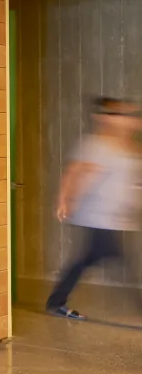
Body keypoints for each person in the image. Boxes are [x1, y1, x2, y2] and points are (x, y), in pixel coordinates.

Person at [48, 97, 142, 320]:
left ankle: (56, 302)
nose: (130, 121)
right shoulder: (96, 144)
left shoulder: (129, 147)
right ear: (105, 119)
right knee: (123, 262)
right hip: (97, 216)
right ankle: (56, 302)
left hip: (116, 218)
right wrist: (65, 200)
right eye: (121, 116)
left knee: (86, 260)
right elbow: (75, 172)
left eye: (131, 116)